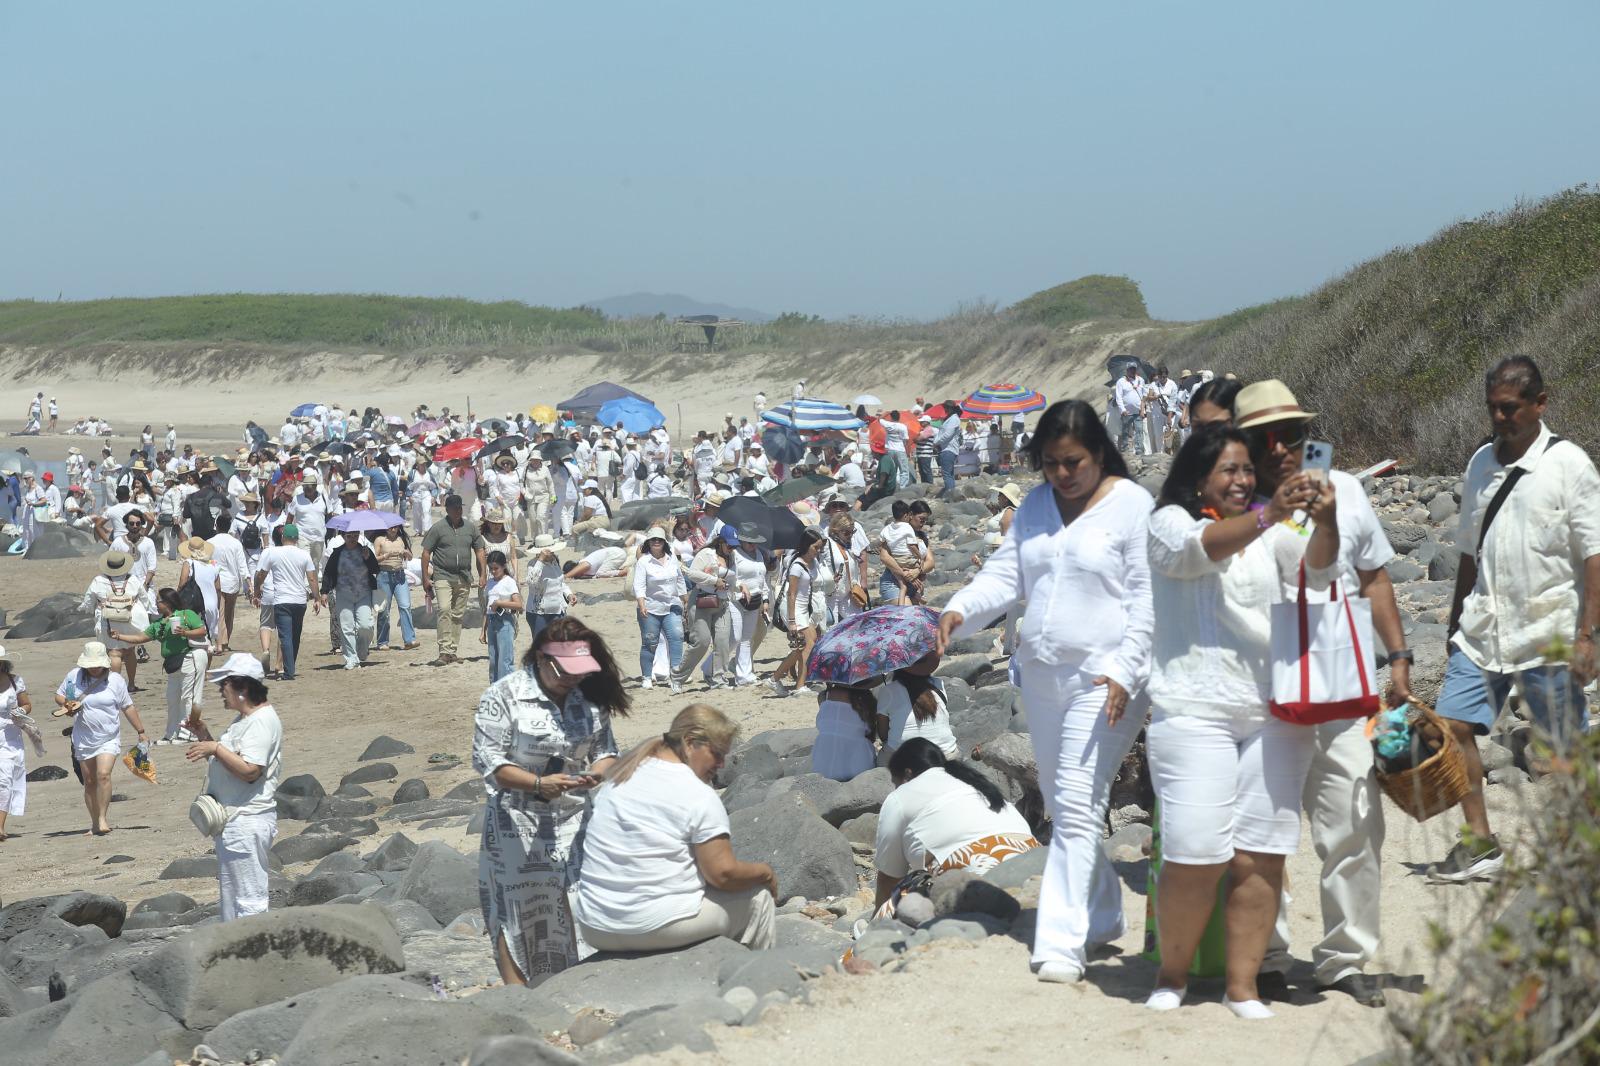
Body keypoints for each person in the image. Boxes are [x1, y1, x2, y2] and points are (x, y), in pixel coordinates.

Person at [937, 400, 1153, 984]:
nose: (1062, 473)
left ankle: (1061, 941)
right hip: (1041, 676)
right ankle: (1104, 910)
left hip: (1106, 680)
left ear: (1099, 452)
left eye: (1073, 462)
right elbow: (1005, 575)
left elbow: (1148, 598)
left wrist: (1128, 669)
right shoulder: (1034, 506)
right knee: (1065, 804)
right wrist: (960, 608)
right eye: (1051, 463)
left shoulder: (1133, 506)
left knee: (1079, 803)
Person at [1143, 425, 1338, 1019]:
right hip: (1191, 709)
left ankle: (1243, 986)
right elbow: (1196, 551)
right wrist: (1268, 514)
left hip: (1272, 710)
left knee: (1262, 854)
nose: (1243, 480)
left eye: (1247, 470)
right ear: (1199, 477)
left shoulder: (1271, 525)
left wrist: (1325, 521)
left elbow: (1316, 573)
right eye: (1229, 470)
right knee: (1194, 853)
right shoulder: (1169, 522)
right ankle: (1173, 975)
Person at [1236, 381, 1409, 1008]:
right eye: (1264, 439)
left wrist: (1400, 656)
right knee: (1264, 830)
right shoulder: (1235, 507)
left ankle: (1345, 957)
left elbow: (1375, 577)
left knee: (1356, 822)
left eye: (1290, 434)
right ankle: (1266, 955)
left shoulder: (1347, 490)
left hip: (1344, 686)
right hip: (1265, 690)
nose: (1280, 448)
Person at [1431, 355, 1600, 883]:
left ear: (1540, 403)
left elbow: (1594, 554)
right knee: (1452, 727)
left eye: (1510, 408)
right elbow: (1467, 551)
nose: (1500, 418)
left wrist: (1587, 636)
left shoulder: (1569, 464)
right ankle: (1480, 843)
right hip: (1485, 630)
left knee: (1565, 750)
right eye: (1493, 408)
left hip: (1548, 631)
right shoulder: (1481, 463)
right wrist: (1455, 625)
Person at [473, 618, 628, 986]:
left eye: (580, 670)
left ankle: (580, 985)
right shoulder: (504, 695)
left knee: (580, 902)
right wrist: (538, 783)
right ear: (542, 659)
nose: (573, 678)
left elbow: (606, 751)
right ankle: (518, 994)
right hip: (517, 824)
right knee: (517, 910)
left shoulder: (589, 698)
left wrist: (597, 775)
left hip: (575, 817)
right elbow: (488, 761)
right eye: (565, 671)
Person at [575, 705, 778, 951]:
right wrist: (765, 872)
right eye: (717, 754)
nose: (722, 764)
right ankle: (759, 971)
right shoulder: (697, 792)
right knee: (759, 898)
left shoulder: (622, 776)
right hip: (653, 926)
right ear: (690, 742)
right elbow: (722, 874)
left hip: (594, 926)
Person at [874, 739, 1038, 908]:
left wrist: (878, 918)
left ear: (907, 774)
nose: (896, 788)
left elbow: (889, 877)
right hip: (1032, 857)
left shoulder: (900, 796)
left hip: (976, 874)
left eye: (895, 782)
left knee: (904, 895)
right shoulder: (972, 781)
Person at [186, 653, 283, 921]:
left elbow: (250, 771)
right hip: (234, 821)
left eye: (224, 685)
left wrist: (215, 748)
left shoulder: (261, 721)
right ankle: (237, 943)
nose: (220, 691)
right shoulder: (245, 718)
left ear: (243, 687)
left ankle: (254, 945)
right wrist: (205, 737)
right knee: (231, 899)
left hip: (247, 819)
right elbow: (233, 762)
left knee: (249, 900)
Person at [55, 641, 149, 835]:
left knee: (103, 774)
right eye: (91, 664)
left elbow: (127, 706)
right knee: (89, 781)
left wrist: (140, 731)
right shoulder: (74, 676)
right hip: (83, 736)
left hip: (109, 736)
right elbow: (59, 696)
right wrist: (67, 704)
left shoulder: (115, 680)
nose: (94, 668)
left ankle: (102, 818)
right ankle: (94, 823)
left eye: (97, 664)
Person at [110, 587, 208, 745]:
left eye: (158, 601)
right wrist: (119, 636)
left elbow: (202, 630)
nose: (156, 604)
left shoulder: (186, 614)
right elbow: (141, 638)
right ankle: (171, 734)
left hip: (190, 657)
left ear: (168, 602)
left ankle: (188, 733)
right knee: (172, 698)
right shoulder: (159, 623)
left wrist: (185, 633)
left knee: (187, 697)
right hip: (172, 663)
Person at [422, 494, 487, 666]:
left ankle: (452, 651)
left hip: (464, 576)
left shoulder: (470, 528)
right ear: (447, 509)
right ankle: (444, 651)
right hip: (442, 575)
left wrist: (483, 574)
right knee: (444, 609)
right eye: (454, 508)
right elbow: (426, 553)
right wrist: (425, 578)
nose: (458, 511)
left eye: (459, 507)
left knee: (458, 614)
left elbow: (480, 551)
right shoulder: (438, 528)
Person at [253, 523, 322, 681]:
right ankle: (289, 667)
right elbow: (312, 578)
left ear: (283, 537)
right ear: (297, 539)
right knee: (295, 636)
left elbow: (261, 574)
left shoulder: (273, 553)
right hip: (299, 600)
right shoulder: (304, 555)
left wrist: (257, 590)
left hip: (282, 600)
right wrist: (316, 598)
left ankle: (289, 671)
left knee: (285, 636)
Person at [769, 529, 827, 698]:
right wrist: (792, 621)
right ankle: (790, 683)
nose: (818, 551)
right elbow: (791, 594)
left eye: (820, 547)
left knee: (805, 647)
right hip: (793, 609)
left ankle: (781, 680)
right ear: (806, 546)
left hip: (805, 609)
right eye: (816, 547)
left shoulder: (813, 563)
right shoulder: (796, 566)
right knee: (806, 646)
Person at [676, 529, 736, 690]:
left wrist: (739, 587)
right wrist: (714, 580)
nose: (732, 549)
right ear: (721, 542)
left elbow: (732, 578)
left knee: (722, 642)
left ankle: (718, 679)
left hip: (722, 603)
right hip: (701, 601)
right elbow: (692, 574)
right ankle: (677, 677)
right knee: (701, 642)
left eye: (734, 546)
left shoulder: (731, 556)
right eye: (730, 545)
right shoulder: (706, 554)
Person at [876, 651, 959, 760]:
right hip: (947, 753)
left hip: (905, 759)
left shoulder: (888, 691)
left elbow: (883, 734)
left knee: (881, 758)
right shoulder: (939, 683)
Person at [633, 526, 687, 693]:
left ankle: (675, 676)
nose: (656, 542)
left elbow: (680, 580)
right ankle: (647, 677)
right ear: (648, 542)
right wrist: (642, 604)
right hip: (651, 607)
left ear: (664, 542)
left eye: (659, 539)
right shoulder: (643, 562)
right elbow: (639, 585)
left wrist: (685, 600)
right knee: (650, 642)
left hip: (672, 605)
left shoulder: (672, 559)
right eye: (653, 540)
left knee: (677, 638)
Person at [322, 526, 378, 671]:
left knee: (366, 626)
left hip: (364, 594)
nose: (352, 539)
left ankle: (361, 650)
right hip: (343, 594)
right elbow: (328, 573)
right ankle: (351, 659)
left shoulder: (365, 550)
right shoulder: (337, 553)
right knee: (346, 628)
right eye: (349, 536)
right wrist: (324, 592)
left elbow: (375, 569)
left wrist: (368, 558)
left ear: (359, 535)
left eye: (355, 535)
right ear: (344, 537)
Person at [0, 646, 39, 841]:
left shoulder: (15, 681)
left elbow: (27, 704)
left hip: (9, 738)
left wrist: (21, 711)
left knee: (5, 780)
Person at [729, 525, 773, 687]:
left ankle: (744, 675)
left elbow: (762, 578)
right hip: (736, 599)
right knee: (735, 638)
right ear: (741, 541)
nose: (752, 545)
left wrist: (766, 599)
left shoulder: (759, 554)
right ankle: (710, 667)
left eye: (754, 542)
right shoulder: (734, 554)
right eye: (749, 542)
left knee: (746, 638)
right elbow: (730, 576)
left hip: (755, 600)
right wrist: (740, 586)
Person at [812, 683, 878, 781]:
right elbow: (872, 734)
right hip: (856, 761)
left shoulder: (824, 696)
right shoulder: (865, 698)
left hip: (822, 759)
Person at [370, 525, 418, 651]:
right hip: (383, 576)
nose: (393, 529)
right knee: (383, 610)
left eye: (395, 527)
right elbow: (373, 559)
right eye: (391, 527)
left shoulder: (401, 539)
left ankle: (409, 639)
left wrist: (406, 553)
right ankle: (382, 641)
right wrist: (386, 556)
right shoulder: (380, 540)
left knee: (405, 606)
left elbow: (410, 557)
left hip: (399, 575)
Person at [481, 550, 524, 682]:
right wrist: (483, 630)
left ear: (504, 566)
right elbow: (487, 609)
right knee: (493, 660)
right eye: (491, 569)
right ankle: (495, 689)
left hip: (505, 621)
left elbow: (519, 605)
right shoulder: (490, 583)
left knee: (505, 660)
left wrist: (500, 603)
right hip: (492, 621)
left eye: (496, 568)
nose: (493, 571)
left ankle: (507, 690)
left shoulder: (509, 582)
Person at [877, 499, 930, 606]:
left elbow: (931, 562)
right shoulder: (894, 533)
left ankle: (917, 595)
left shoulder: (922, 536)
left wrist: (916, 571)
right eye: (921, 519)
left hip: (913, 584)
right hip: (893, 583)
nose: (923, 523)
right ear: (910, 515)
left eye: (925, 520)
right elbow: (884, 557)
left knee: (914, 614)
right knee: (908, 612)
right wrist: (905, 574)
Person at [525, 534, 573, 644]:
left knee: (560, 643)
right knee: (541, 645)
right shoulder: (533, 564)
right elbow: (532, 582)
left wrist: (569, 594)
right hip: (539, 613)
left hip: (558, 609)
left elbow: (560, 582)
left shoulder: (555, 562)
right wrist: (541, 561)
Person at [177, 536, 223, 651]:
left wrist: (177, 598)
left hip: (196, 603)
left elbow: (182, 583)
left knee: (196, 637)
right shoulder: (214, 564)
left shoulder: (189, 563)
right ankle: (215, 648)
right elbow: (218, 588)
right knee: (208, 635)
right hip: (212, 602)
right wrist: (217, 605)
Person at [1114, 363, 1144, 455]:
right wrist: (1122, 409)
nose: (1132, 371)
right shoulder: (1121, 381)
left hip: (1138, 411)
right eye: (1131, 369)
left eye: (1134, 369)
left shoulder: (1140, 380)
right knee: (1125, 431)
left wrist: (1143, 409)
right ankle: (1125, 448)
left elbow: (1144, 395)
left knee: (1139, 430)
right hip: (1126, 412)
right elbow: (1118, 397)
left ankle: (1139, 450)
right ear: (1127, 370)